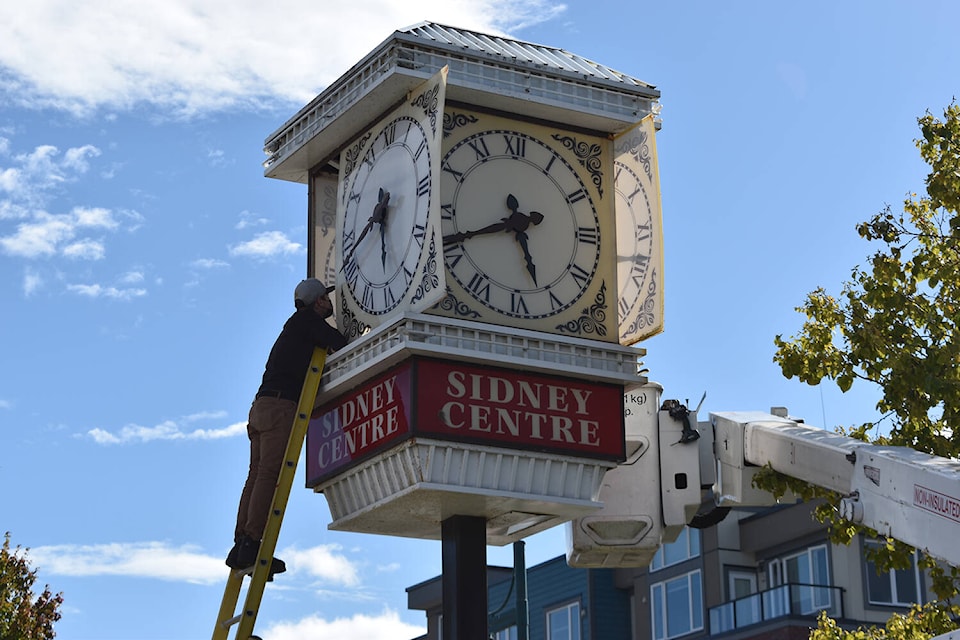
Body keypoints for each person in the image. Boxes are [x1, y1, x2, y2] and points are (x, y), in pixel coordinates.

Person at [226, 278, 348, 575]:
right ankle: (253, 543)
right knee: (269, 475)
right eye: (326, 298)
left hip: (260, 407)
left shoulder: (293, 326)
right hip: (281, 407)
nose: (329, 303)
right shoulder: (308, 322)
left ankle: (241, 542)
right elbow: (340, 343)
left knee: (255, 476)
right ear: (318, 301)